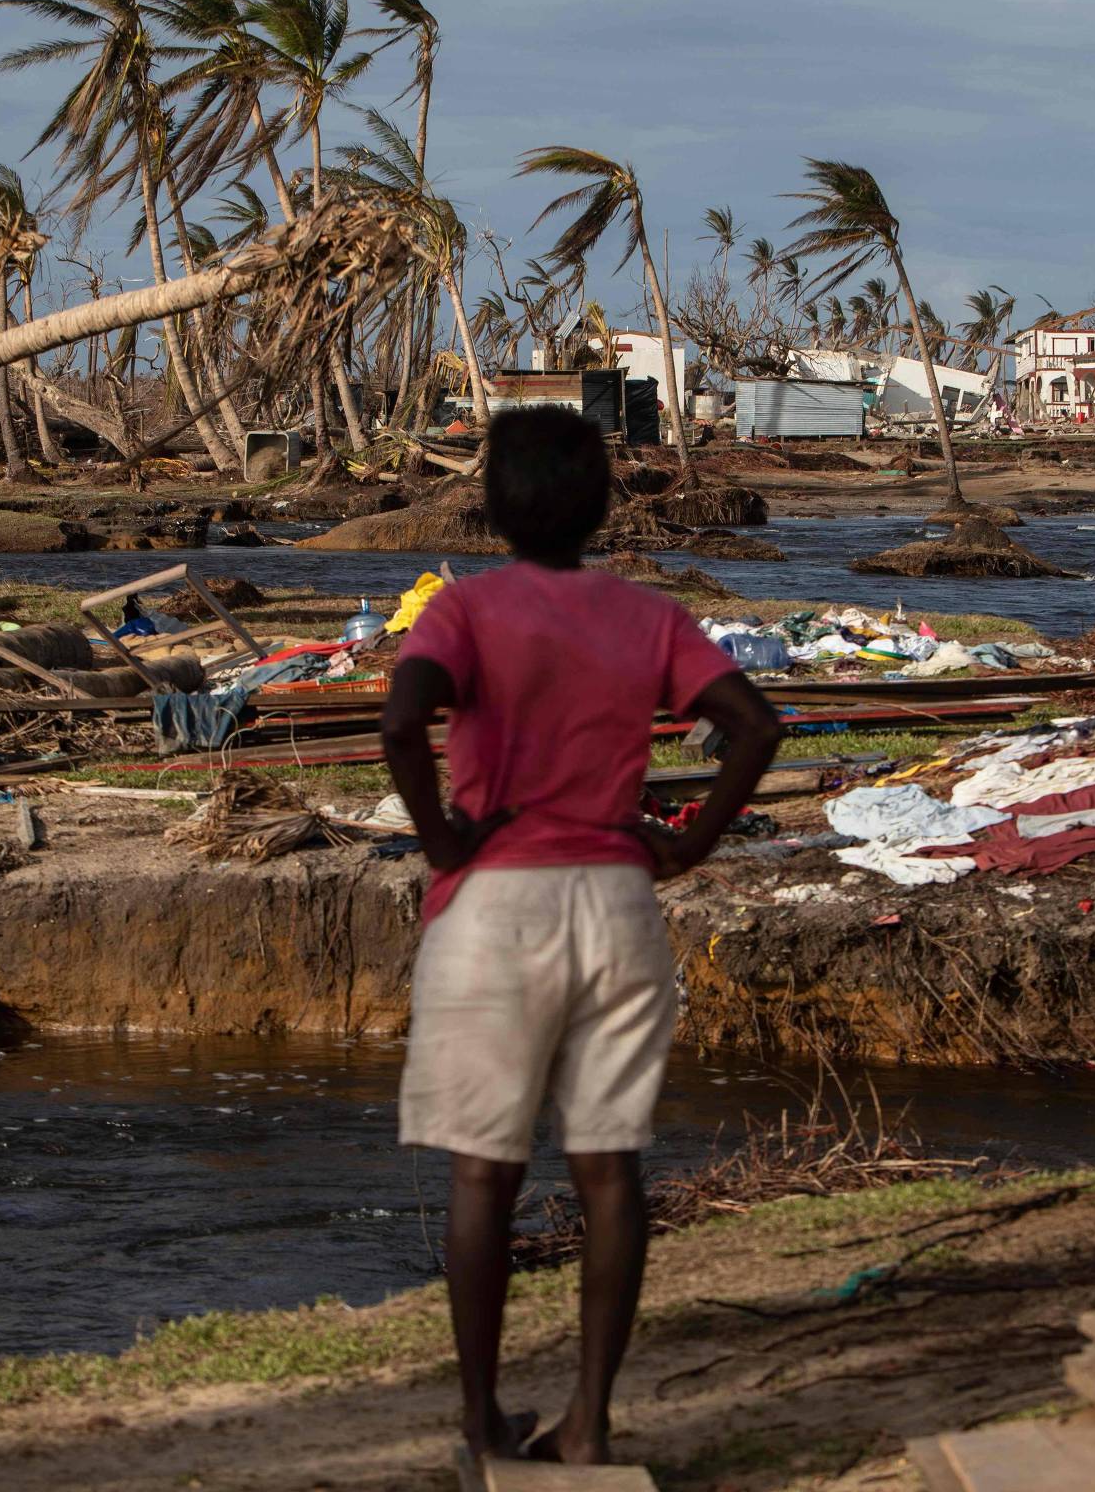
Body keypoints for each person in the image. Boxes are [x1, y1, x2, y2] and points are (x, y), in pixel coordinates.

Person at [380, 404, 782, 1468]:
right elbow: (755, 725)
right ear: (605, 503)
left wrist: (443, 836)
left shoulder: (463, 612)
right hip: (614, 900)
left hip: (494, 907)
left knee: (484, 1173)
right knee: (610, 1170)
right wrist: (688, 845)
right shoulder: (646, 617)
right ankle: (591, 1423)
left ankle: (480, 1422)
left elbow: (399, 721)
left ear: (493, 506)